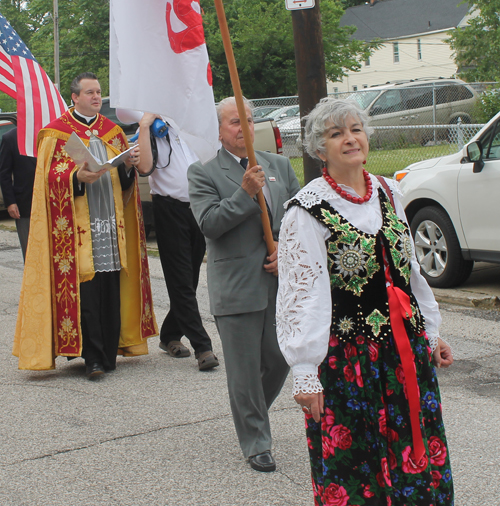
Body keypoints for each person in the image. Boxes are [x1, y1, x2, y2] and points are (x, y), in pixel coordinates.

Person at [276, 98, 454, 505]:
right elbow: (301, 294)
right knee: (358, 465)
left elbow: (408, 270)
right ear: (319, 149)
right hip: (348, 361)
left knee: (415, 455)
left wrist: (431, 332)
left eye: (355, 129)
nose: (350, 139)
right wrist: (304, 369)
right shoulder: (306, 211)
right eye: (336, 134)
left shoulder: (390, 191)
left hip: (402, 353)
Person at [13, 72, 158, 378]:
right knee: (87, 292)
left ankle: (109, 353)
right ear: (74, 98)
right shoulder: (56, 134)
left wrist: (128, 166)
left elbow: (125, 180)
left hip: (110, 222)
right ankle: (91, 356)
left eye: (98, 92)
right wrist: (74, 178)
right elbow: (47, 179)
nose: (95, 96)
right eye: (89, 92)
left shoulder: (113, 132)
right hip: (77, 228)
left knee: (110, 286)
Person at [188, 97, 301, 472]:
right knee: (243, 370)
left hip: (278, 283)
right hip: (237, 287)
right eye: (235, 122)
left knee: (281, 358)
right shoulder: (203, 173)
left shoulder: (279, 166)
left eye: (249, 121)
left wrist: (284, 246)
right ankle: (256, 442)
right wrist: (244, 193)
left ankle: (250, 412)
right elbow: (210, 224)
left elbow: (299, 219)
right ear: (219, 131)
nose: (244, 128)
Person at [135, 112, 218, 371]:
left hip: (198, 208)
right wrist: (145, 125)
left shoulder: (188, 125)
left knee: (190, 279)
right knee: (180, 280)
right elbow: (145, 168)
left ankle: (170, 334)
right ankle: (202, 347)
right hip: (169, 209)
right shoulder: (152, 129)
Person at [0, 127, 37, 261]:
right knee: (30, 251)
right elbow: (4, 174)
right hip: (24, 203)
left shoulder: (49, 133)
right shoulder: (10, 138)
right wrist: (10, 202)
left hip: (51, 202)